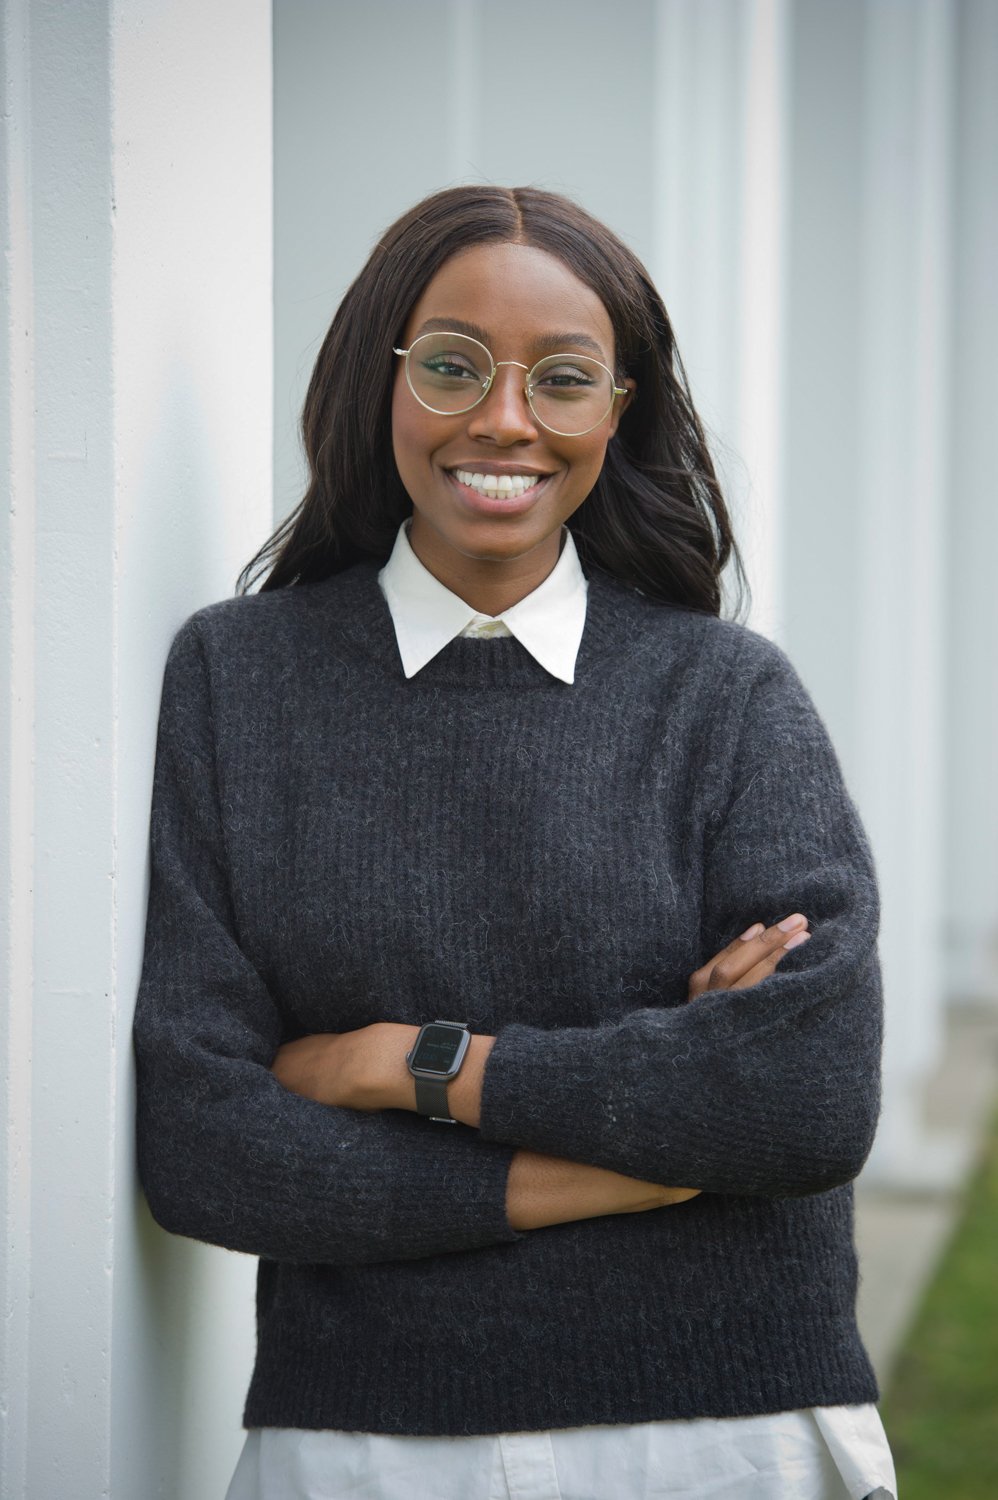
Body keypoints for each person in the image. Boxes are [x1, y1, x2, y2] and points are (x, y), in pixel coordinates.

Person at [132, 185, 897, 1499]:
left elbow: (803, 1099)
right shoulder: (238, 681)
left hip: (728, 1431)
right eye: (450, 365)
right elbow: (205, 1145)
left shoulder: (723, 696)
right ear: (377, 381)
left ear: (620, 407)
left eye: (562, 377)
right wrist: (619, 1167)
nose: (503, 418)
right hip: (364, 1446)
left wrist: (399, 1062)